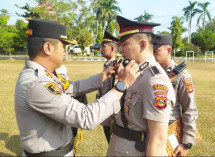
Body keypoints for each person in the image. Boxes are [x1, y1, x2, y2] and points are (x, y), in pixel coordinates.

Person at [14, 19, 140, 157]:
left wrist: (103, 76)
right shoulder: (38, 83)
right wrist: (121, 86)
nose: (65, 52)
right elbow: (86, 117)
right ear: (48, 48)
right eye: (63, 46)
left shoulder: (45, 75)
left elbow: (74, 87)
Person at [106, 16, 176, 156]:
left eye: (125, 44)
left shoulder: (155, 81)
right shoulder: (134, 72)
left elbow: (158, 140)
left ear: (142, 45)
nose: (121, 50)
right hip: (118, 146)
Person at [153, 34, 198, 156]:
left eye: (156, 51)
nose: (153, 54)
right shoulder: (151, 72)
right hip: (151, 130)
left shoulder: (182, 76)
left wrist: (186, 143)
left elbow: (190, 110)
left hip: (171, 128)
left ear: (168, 50)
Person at [96, 31, 120, 143]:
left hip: (114, 112)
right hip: (105, 109)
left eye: (103, 46)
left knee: (115, 143)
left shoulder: (119, 64)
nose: (101, 49)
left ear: (112, 49)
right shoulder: (107, 64)